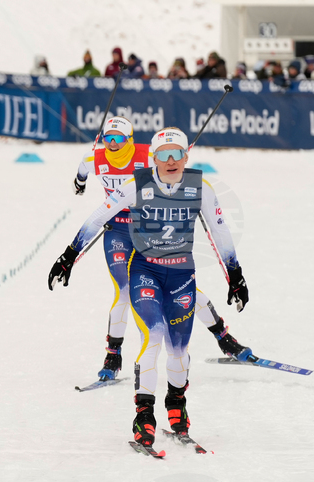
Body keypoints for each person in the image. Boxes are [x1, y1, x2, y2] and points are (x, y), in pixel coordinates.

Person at [51, 127, 249, 452]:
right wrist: (69, 256)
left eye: (177, 154)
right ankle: (144, 416)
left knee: (179, 350)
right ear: (153, 158)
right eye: (163, 155)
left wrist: (235, 275)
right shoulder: (137, 184)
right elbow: (99, 216)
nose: (170, 161)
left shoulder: (201, 188)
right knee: (153, 334)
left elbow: (220, 232)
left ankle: (177, 406)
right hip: (145, 271)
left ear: (186, 156)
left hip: (181, 275)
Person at [72, 117, 252, 382]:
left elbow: (170, 168)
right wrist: (79, 182)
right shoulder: (95, 158)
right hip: (118, 232)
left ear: (130, 140)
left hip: (148, 229)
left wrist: (181, 179)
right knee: (124, 290)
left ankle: (223, 336)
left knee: (181, 290)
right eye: (108, 138)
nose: (112, 144)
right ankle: (113, 354)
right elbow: (83, 170)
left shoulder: (147, 155)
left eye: (119, 138)